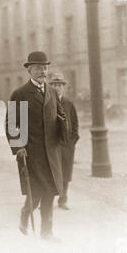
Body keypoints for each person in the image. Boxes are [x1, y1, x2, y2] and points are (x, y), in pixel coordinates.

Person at [5, 51, 67, 242]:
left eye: (45, 67)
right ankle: (25, 213)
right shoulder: (20, 94)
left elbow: (62, 115)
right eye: (38, 68)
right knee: (37, 192)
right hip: (31, 153)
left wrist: (63, 125)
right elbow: (10, 123)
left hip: (51, 153)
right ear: (29, 70)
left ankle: (46, 233)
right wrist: (18, 148)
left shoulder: (51, 92)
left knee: (50, 192)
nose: (43, 71)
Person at [49, 73, 79, 210]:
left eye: (60, 85)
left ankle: (63, 200)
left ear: (63, 87)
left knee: (66, 173)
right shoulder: (47, 103)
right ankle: (46, 200)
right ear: (51, 87)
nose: (57, 87)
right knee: (50, 172)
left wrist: (72, 140)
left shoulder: (69, 103)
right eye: (54, 85)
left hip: (67, 145)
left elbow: (75, 123)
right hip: (52, 145)